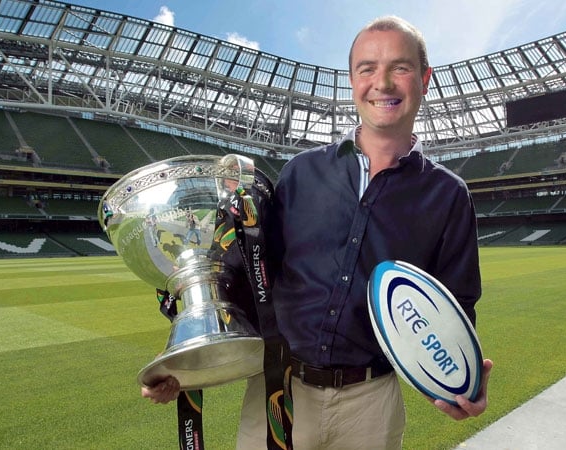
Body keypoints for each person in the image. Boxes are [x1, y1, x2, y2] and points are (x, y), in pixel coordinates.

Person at [143, 15, 492, 449]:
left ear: (424, 78)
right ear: (352, 81)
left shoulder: (449, 195)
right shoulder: (301, 172)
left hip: (372, 405)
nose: (382, 82)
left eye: (399, 67)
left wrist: (461, 377)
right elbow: (243, 277)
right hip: (279, 393)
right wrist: (188, 356)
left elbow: (456, 304)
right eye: (367, 68)